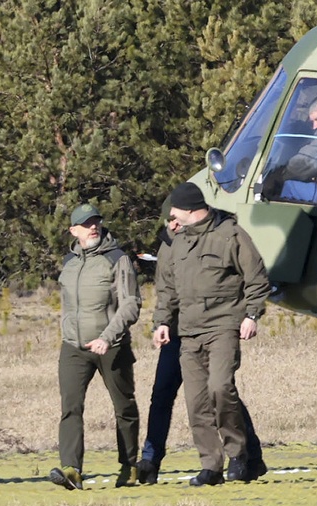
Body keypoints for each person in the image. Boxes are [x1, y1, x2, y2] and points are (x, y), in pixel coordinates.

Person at [152, 183, 270, 486]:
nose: (172, 219)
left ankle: (239, 453)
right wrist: (162, 321)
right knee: (197, 403)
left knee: (220, 388)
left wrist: (251, 315)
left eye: (176, 212)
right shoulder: (177, 243)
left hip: (223, 326)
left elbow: (256, 278)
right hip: (188, 333)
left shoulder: (230, 235)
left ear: (191, 210)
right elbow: (167, 288)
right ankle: (211, 465)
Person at [49, 204, 142, 490]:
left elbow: (131, 304)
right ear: (73, 230)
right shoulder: (69, 262)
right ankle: (71, 469)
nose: (93, 227)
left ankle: (129, 466)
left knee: (124, 407)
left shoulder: (117, 259)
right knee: (70, 407)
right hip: (74, 348)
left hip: (111, 346)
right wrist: (67, 332)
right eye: (87, 223)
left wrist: (107, 336)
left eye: (96, 222)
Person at [262, 91, 317, 204]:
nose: (315, 126)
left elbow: (303, 164)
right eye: (312, 122)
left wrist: (279, 173)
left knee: (287, 188)